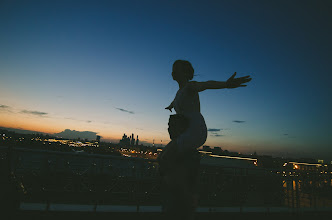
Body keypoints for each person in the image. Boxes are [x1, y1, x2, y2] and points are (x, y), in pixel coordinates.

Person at [158, 60, 251, 220]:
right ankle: (181, 192)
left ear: (186, 73)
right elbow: (176, 100)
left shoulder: (190, 86)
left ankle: (188, 197)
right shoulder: (179, 92)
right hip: (186, 130)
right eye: (172, 70)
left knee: (166, 159)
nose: (172, 73)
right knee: (162, 158)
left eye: (175, 70)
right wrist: (170, 105)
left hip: (195, 130)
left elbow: (207, 84)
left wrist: (226, 84)